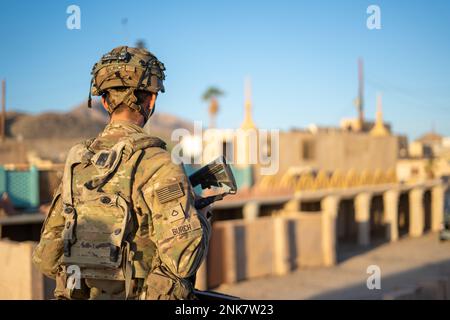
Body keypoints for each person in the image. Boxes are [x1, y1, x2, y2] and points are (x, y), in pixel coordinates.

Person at [32, 46, 211, 300]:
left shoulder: (78, 163)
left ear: (105, 102)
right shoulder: (159, 163)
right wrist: (201, 217)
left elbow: (47, 259)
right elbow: (182, 260)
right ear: (151, 100)